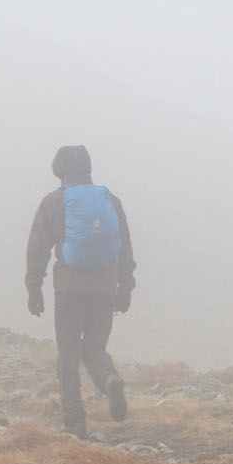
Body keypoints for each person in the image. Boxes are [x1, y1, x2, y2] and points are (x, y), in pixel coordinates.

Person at [25, 144, 136, 439]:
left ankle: (75, 423)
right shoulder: (110, 200)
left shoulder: (53, 202)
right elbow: (124, 247)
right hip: (104, 289)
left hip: (69, 290)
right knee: (95, 350)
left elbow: (38, 248)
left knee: (68, 355)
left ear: (59, 172)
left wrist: (33, 287)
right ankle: (110, 379)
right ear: (88, 169)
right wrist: (125, 287)